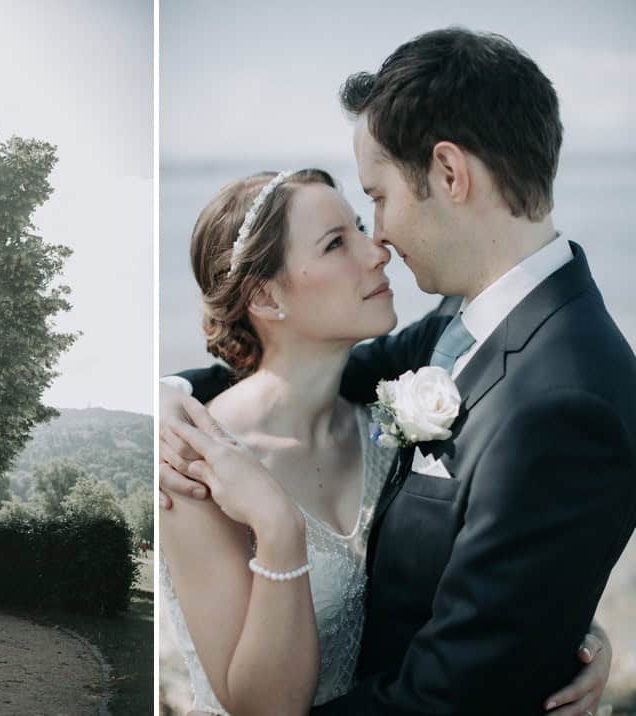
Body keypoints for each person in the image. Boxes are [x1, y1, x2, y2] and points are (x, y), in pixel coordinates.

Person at [160, 27, 634, 716]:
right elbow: (319, 374)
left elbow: (449, 693)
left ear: (449, 174)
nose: (378, 240)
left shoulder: (564, 400)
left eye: (376, 200)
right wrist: (171, 392)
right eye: (344, 231)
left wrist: (557, 634)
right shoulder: (454, 327)